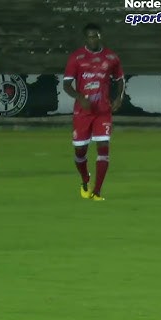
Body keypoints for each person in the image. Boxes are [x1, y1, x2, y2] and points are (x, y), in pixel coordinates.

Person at [63, 23, 125, 201]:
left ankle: (97, 191)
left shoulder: (111, 57)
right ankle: (85, 179)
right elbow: (66, 85)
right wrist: (80, 97)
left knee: (103, 148)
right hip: (83, 112)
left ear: (100, 36)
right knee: (80, 151)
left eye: (96, 35)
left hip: (103, 111)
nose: (94, 39)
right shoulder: (76, 58)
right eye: (90, 36)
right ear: (86, 38)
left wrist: (119, 97)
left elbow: (119, 79)